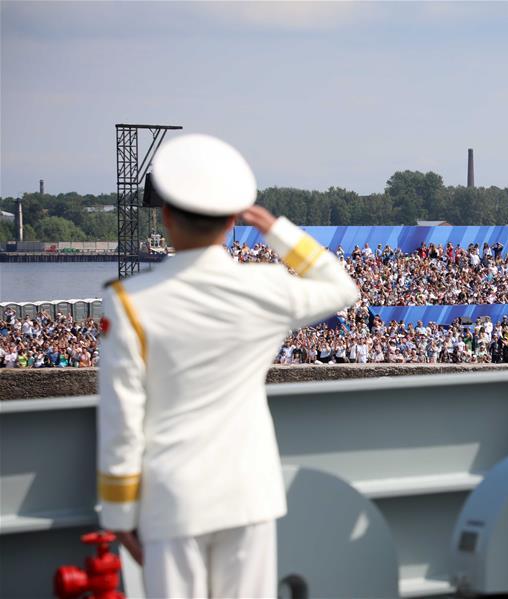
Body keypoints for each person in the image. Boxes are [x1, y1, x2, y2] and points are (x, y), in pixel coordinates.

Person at [97, 134, 359, 598]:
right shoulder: (266, 287)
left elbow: (122, 421)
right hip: (248, 492)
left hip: (173, 499)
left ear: (166, 217)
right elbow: (341, 288)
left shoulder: (130, 303)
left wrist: (119, 514)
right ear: (234, 220)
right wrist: (275, 230)